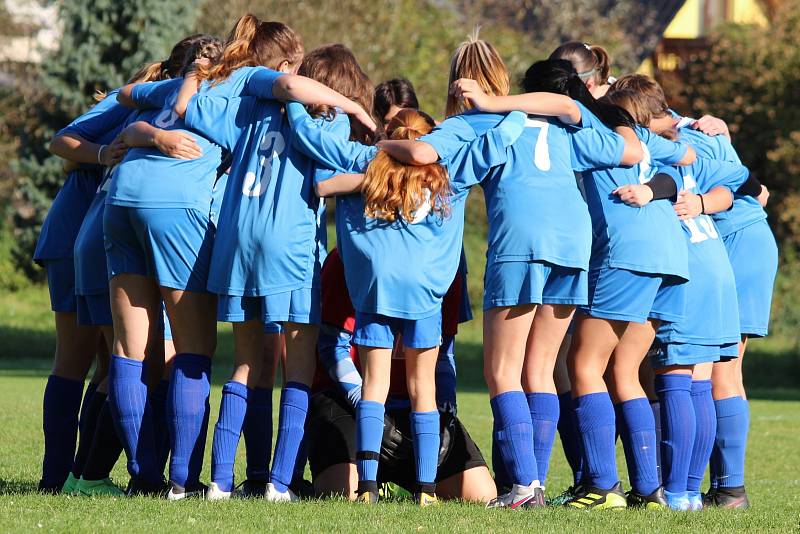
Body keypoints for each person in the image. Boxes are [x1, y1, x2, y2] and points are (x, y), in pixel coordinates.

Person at [167, 20, 377, 501]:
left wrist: (196, 74)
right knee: (296, 371)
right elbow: (333, 164)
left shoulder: (248, 110)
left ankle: (220, 482)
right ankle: (278, 484)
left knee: (243, 365)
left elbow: (189, 110)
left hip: (237, 242)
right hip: (290, 247)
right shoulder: (324, 116)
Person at [308, 248, 496, 503]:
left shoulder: (446, 260)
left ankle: (401, 481)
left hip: (416, 405)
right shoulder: (349, 255)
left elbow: (445, 352)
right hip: (345, 400)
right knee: (343, 492)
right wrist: (368, 409)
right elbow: (331, 347)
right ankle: (374, 477)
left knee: (481, 494)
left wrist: (445, 414)